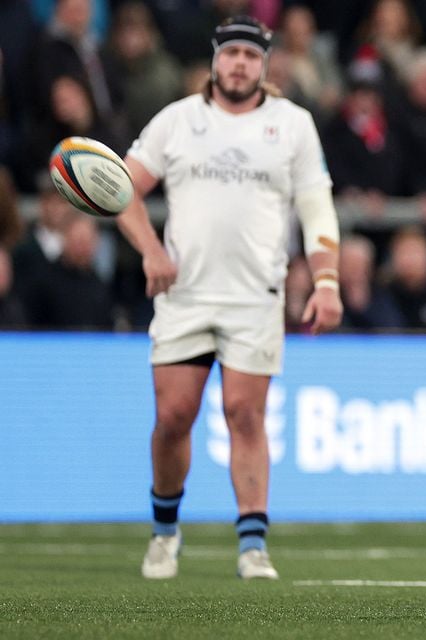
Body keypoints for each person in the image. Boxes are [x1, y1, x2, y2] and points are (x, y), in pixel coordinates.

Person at [116, 16, 342, 581]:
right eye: (230, 53)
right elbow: (122, 190)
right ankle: (165, 532)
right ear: (215, 61)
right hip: (184, 293)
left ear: (264, 64)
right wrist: (150, 250)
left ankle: (252, 545)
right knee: (173, 417)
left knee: (246, 413)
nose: (239, 64)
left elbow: (317, 210)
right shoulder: (177, 120)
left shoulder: (292, 125)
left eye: (250, 55)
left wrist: (327, 281)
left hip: (254, 296)